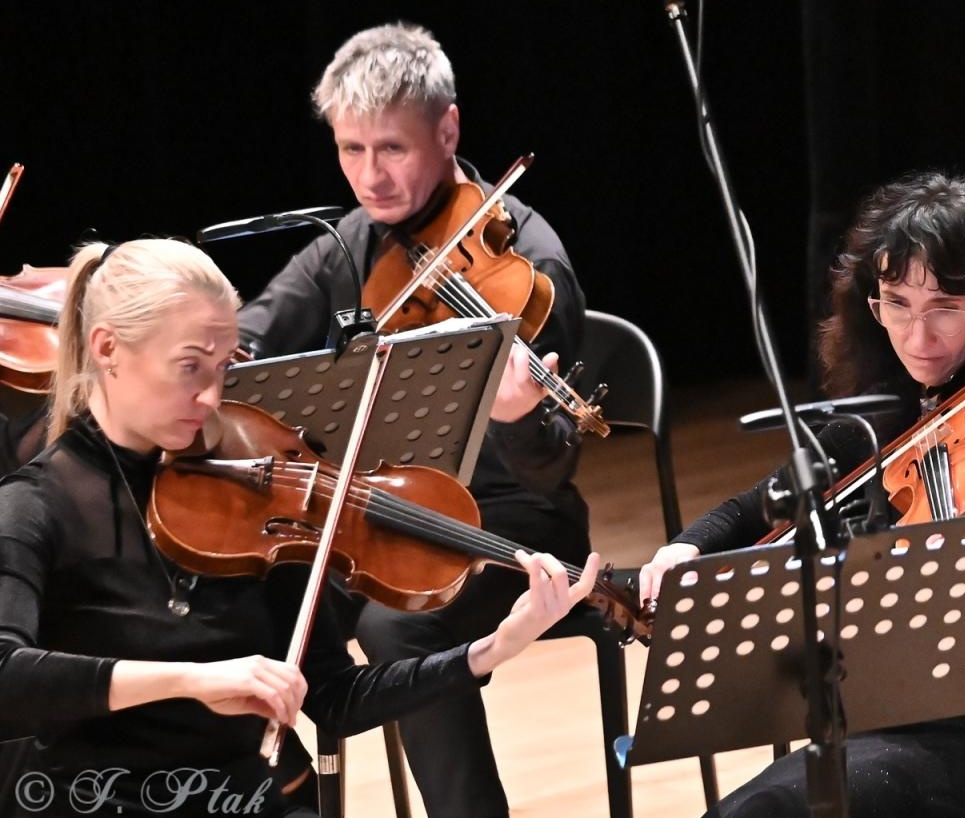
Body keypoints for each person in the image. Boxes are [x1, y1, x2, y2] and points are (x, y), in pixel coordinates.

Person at [0, 239, 599, 818]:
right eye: (189, 367)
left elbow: (335, 697)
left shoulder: (257, 493)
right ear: (107, 348)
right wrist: (190, 681)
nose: (212, 396)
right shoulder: (34, 506)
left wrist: (492, 648)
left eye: (223, 365)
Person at [640, 171, 965, 816]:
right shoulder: (883, 418)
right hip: (880, 734)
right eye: (897, 304)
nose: (918, 337)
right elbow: (760, 503)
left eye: (945, 307)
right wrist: (688, 551)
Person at [235, 22, 590, 817]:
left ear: (449, 129)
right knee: (236, 593)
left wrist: (520, 419)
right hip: (380, 513)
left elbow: (552, 470)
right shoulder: (352, 240)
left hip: (506, 522)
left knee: (399, 631)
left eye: (391, 148)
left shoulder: (527, 264)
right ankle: (279, 799)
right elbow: (254, 332)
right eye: (350, 150)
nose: (371, 176)